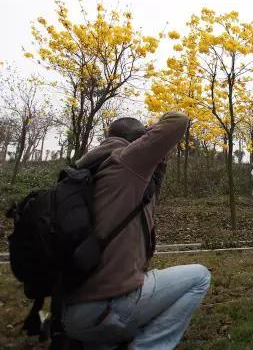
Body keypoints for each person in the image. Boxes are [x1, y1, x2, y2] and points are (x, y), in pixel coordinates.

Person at [62, 112, 211, 349]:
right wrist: (150, 132)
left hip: (70, 312)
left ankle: (104, 341)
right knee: (200, 276)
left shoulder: (92, 168)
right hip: (108, 306)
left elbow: (147, 200)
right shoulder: (125, 161)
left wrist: (159, 160)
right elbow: (178, 121)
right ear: (138, 140)